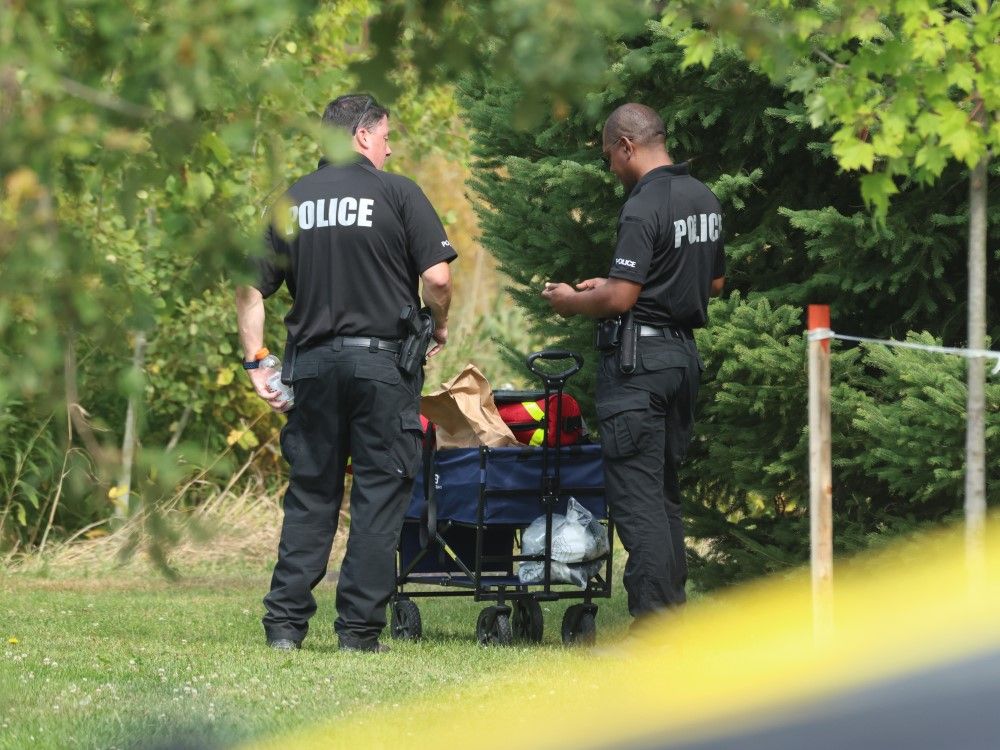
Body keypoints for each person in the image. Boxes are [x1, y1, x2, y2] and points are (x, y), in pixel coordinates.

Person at [236, 93, 456, 653]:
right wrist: (438, 326)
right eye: (385, 136)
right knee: (379, 495)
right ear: (362, 137)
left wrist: (256, 359)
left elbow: (249, 288)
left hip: (308, 367)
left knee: (311, 495)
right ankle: (358, 633)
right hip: (381, 367)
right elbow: (438, 279)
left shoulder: (290, 200)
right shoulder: (398, 192)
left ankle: (285, 627)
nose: (389, 147)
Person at [542, 103, 725, 623]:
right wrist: (622, 286)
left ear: (627, 145)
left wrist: (571, 300)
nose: (611, 169)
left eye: (609, 157)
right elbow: (712, 283)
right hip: (681, 359)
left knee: (636, 498)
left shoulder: (644, 204)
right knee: (664, 492)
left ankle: (654, 626)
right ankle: (671, 612)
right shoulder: (703, 197)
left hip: (638, 366)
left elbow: (622, 300)